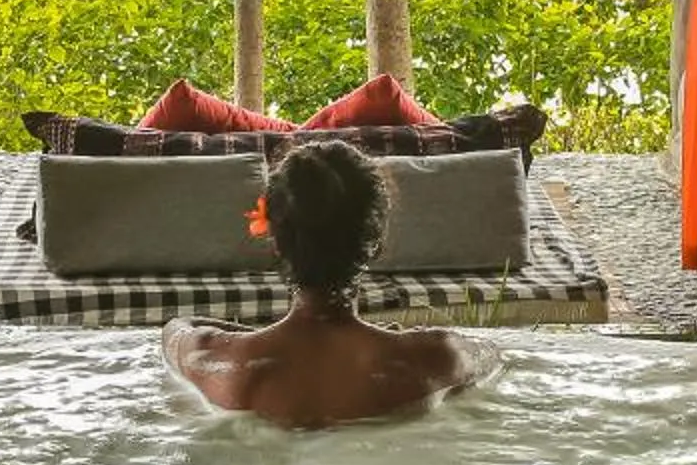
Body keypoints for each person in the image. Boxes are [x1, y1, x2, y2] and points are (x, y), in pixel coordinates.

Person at [164, 140, 487, 429]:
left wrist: (243, 336)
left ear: (274, 238)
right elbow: (493, 356)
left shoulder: (218, 359)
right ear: (374, 241)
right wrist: (397, 338)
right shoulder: (434, 358)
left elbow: (175, 329)